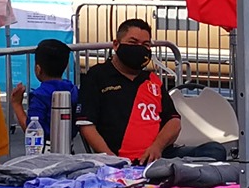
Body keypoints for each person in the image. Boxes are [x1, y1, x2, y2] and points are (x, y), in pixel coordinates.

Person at [77, 18, 180, 162]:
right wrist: (111, 159)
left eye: (146, 44)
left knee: (211, 151)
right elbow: (86, 124)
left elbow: (174, 121)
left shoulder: (152, 79)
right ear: (116, 44)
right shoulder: (97, 76)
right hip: (122, 160)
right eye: (133, 42)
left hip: (162, 156)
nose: (139, 48)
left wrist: (157, 147)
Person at [11, 37, 78, 132]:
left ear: (38, 69)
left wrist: (17, 104)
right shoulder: (73, 90)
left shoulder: (39, 96)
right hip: (68, 140)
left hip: (45, 141)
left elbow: (33, 130)